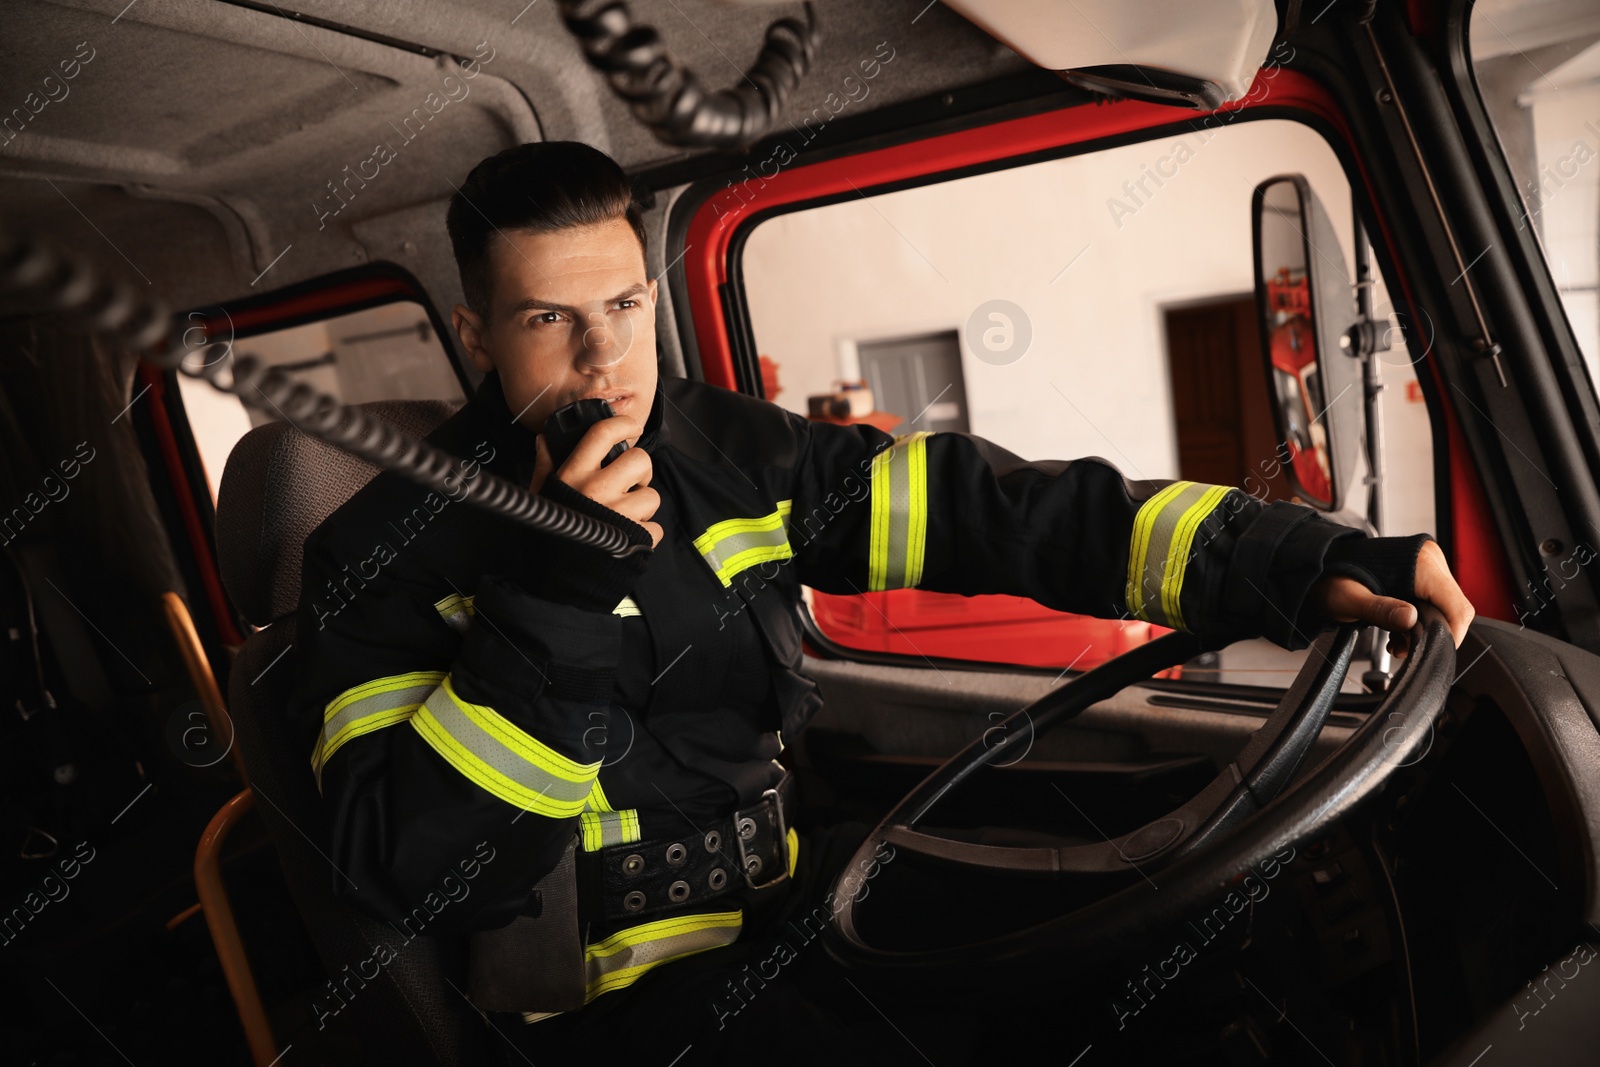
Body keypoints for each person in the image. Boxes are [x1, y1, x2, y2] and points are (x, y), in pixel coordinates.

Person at [286, 141, 1475, 1064]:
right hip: (610, 1016)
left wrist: (1279, 555)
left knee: (1158, 942)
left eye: (626, 307)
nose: (606, 360)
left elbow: (988, 510)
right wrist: (555, 597)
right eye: (551, 319)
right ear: (475, 334)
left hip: (796, 902)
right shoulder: (381, 550)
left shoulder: (730, 452)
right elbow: (417, 869)